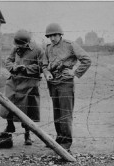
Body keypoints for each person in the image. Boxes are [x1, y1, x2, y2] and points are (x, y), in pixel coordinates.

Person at [42, 23, 92, 151]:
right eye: (50, 36)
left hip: (65, 83)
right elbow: (44, 65)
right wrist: (47, 73)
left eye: (54, 35)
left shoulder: (70, 45)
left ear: (60, 34)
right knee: (57, 112)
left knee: (65, 113)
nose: (52, 38)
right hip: (53, 84)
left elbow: (86, 59)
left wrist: (74, 72)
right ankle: (59, 140)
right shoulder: (48, 48)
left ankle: (66, 143)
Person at [0, 29, 44, 145]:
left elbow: (42, 66)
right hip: (14, 80)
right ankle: (9, 126)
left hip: (29, 83)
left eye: (21, 45)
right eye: (17, 45)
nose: (19, 47)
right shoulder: (16, 48)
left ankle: (27, 135)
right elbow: (8, 61)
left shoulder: (38, 50)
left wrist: (26, 68)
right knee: (7, 102)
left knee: (26, 108)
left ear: (27, 43)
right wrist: (13, 67)